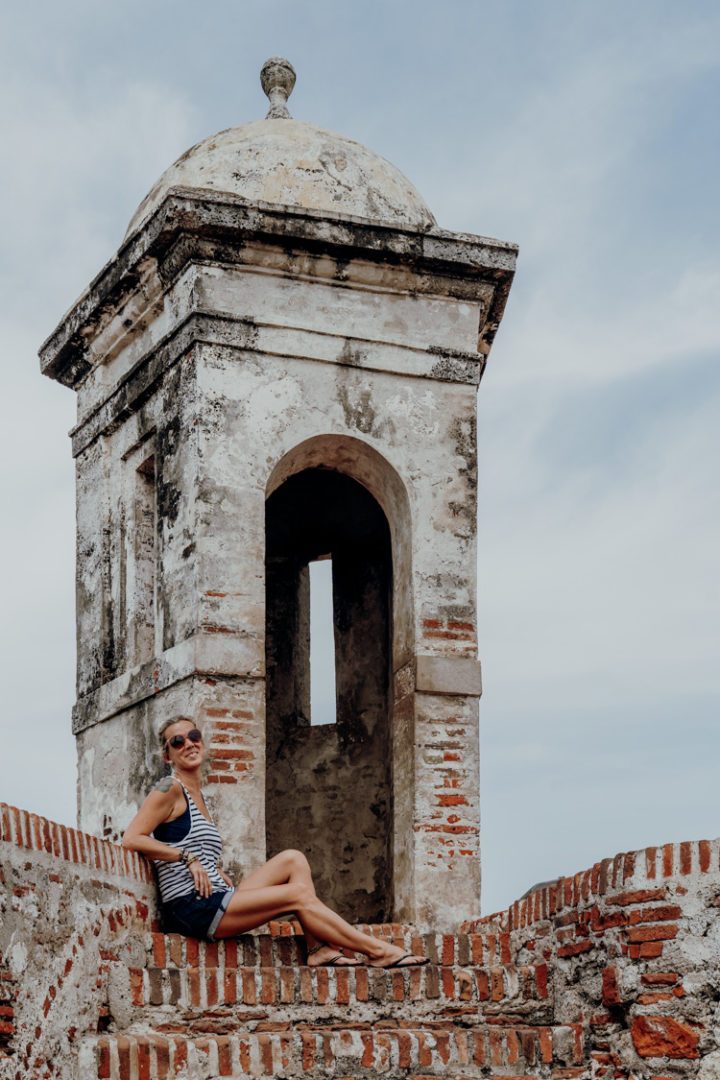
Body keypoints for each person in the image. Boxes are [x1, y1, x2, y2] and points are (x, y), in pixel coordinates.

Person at [122, 716, 429, 968]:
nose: (189, 743)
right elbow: (131, 838)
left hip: (216, 896)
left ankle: (318, 948)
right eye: (177, 741)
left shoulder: (197, 794)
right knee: (296, 894)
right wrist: (186, 858)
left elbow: (190, 840)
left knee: (293, 859)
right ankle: (377, 950)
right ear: (168, 756)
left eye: (193, 736)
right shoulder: (168, 789)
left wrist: (212, 868)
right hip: (192, 909)